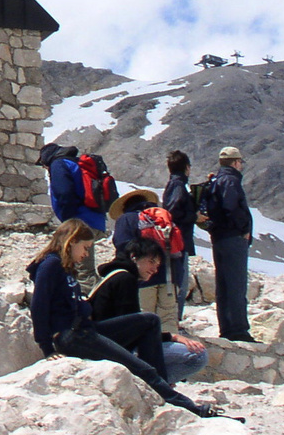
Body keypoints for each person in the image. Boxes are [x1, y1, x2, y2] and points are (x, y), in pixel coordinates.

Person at [28, 219, 219, 418]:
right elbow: (39, 305)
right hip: (74, 336)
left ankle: (166, 390)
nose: (85, 254)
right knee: (144, 369)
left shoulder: (65, 268)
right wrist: (47, 348)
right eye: (84, 248)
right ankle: (189, 408)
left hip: (85, 331)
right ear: (71, 241)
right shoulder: (51, 265)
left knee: (149, 322)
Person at [89, 237, 209, 383]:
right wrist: (172, 337)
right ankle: (157, 385)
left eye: (158, 265)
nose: (154, 269)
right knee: (197, 356)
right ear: (134, 257)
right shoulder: (125, 280)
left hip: (103, 343)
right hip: (115, 349)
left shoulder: (114, 277)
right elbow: (133, 329)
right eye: (151, 262)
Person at [203, 146, 255, 342]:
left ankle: (226, 327)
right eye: (240, 162)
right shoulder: (231, 181)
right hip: (233, 237)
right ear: (235, 162)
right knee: (236, 283)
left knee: (223, 283)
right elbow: (231, 206)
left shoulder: (215, 180)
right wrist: (244, 229)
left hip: (219, 237)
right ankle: (239, 329)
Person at [39, 142, 106, 291]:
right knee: (79, 267)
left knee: (82, 271)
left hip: (80, 223)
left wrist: (69, 222)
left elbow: (64, 193)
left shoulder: (58, 164)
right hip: (96, 220)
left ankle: (88, 305)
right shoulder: (77, 163)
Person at [163, 150, 198, 318]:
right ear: (186, 167)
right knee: (180, 282)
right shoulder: (178, 185)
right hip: (179, 240)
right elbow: (173, 211)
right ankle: (175, 320)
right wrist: (194, 216)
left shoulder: (173, 184)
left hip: (176, 240)